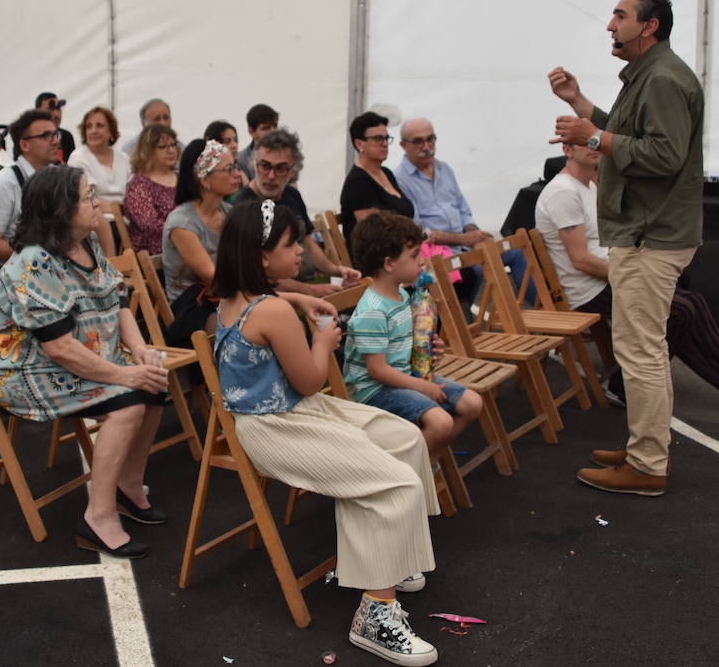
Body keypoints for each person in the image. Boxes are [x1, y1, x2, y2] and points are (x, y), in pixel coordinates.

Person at [212, 200, 440, 665]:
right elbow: (312, 380)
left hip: (288, 415)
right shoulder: (272, 311)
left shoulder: (237, 299)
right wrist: (322, 342)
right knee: (395, 482)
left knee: (405, 439)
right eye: (291, 244)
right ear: (260, 256)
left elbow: (270, 305)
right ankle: (374, 616)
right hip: (280, 427)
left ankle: (394, 559)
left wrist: (296, 298)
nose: (301, 251)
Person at [550, 0, 704, 498]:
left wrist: (592, 137)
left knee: (639, 353)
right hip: (649, 231)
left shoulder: (661, 78)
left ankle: (646, 465)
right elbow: (621, 128)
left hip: (651, 234)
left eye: (620, 16)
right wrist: (578, 105)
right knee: (645, 350)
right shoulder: (652, 74)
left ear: (650, 26)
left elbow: (663, 155)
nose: (610, 25)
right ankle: (645, 448)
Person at [0, 164, 170, 557]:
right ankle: (98, 517)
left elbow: (118, 303)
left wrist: (139, 351)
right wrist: (126, 375)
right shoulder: (35, 261)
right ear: (61, 209)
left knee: (153, 383)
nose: (97, 203)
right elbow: (58, 348)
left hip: (80, 354)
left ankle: (127, 486)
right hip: (24, 371)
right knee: (131, 401)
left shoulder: (86, 243)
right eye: (88, 197)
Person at [536, 142, 719, 415]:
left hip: (610, 279)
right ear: (567, 150)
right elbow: (581, 260)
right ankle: (628, 387)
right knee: (679, 310)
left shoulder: (588, 185)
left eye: (594, 141)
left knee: (689, 300)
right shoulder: (563, 194)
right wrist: (634, 273)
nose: (593, 148)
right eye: (582, 143)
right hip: (588, 291)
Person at [345, 211, 483, 462]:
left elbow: (404, 348)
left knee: (472, 404)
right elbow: (377, 371)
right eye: (415, 255)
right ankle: (407, 473)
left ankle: (426, 459)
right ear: (389, 264)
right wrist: (423, 387)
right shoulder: (373, 311)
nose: (422, 260)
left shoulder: (402, 296)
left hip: (403, 376)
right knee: (440, 423)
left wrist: (431, 350)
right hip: (373, 390)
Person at [395, 117, 532, 305]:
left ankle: (541, 313)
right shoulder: (400, 179)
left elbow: (463, 209)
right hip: (439, 253)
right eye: (418, 141)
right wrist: (463, 239)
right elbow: (419, 232)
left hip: (465, 243)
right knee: (474, 270)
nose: (426, 146)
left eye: (431, 139)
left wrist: (474, 232)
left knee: (515, 252)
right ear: (403, 145)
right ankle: (474, 326)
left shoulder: (444, 169)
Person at [232, 127, 359, 296]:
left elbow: (308, 243)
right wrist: (312, 291)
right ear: (254, 164)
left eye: (281, 168)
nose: (271, 175)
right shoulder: (244, 207)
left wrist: (337, 270)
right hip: (268, 294)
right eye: (265, 166)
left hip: (306, 282)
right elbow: (259, 273)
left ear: (293, 170)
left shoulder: (292, 195)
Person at [162, 140, 240, 346]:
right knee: (246, 327)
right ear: (204, 179)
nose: (237, 174)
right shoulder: (182, 223)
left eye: (236, 166)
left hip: (226, 297)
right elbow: (214, 277)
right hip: (191, 309)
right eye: (229, 169)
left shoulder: (228, 212)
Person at [0, 110, 61, 271]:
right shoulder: (4, 184)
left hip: (48, 268)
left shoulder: (57, 176)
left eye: (56, 134)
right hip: (12, 274)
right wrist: (43, 253)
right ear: (24, 145)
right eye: (46, 136)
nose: (55, 141)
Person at [340, 111, 415, 264]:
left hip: (400, 252)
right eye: (378, 138)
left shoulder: (386, 173)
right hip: (377, 262)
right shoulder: (358, 182)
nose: (385, 143)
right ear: (359, 144)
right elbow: (374, 233)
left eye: (387, 138)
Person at [121, 123, 179, 256]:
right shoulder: (139, 184)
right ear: (148, 151)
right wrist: (183, 232)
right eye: (163, 147)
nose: (171, 150)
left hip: (186, 243)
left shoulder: (182, 178)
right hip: (155, 249)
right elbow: (149, 224)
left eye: (173, 145)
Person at [68, 106, 130, 203]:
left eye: (99, 125)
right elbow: (85, 198)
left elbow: (135, 193)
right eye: (89, 126)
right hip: (94, 215)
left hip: (127, 214)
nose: (94, 131)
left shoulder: (124, 158)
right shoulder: (78, 158)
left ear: (111, 130)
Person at [202, 120, 250, 192]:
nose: (234, 145)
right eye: (227, 141)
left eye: (235, 140)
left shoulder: (242, 168)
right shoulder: (206, 174)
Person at [236, 103, 279, 179]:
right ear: (251, 131)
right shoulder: (241, 160)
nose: (273, 132)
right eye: (266, 128)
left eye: (275, 126)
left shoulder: (285, 155)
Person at [35, 92, 75, 162]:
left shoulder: (66, 136)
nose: (56, 114)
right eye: (50, 109)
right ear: (38, 112)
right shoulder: (28, 138)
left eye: (58, 108)